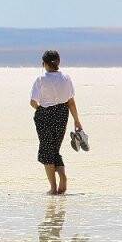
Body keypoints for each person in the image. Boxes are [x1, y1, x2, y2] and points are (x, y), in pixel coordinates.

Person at [31, 50, 83, 195]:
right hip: (62, 114)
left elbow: (33, 102)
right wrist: (77, 121)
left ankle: (53, 188)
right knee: (54, 150)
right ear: (58, 62)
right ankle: (63, 178)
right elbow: (71, 101)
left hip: (44, 116)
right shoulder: (66, 78)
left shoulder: (41, 79)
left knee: (47, 151)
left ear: (44, 64)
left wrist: (41, 110)